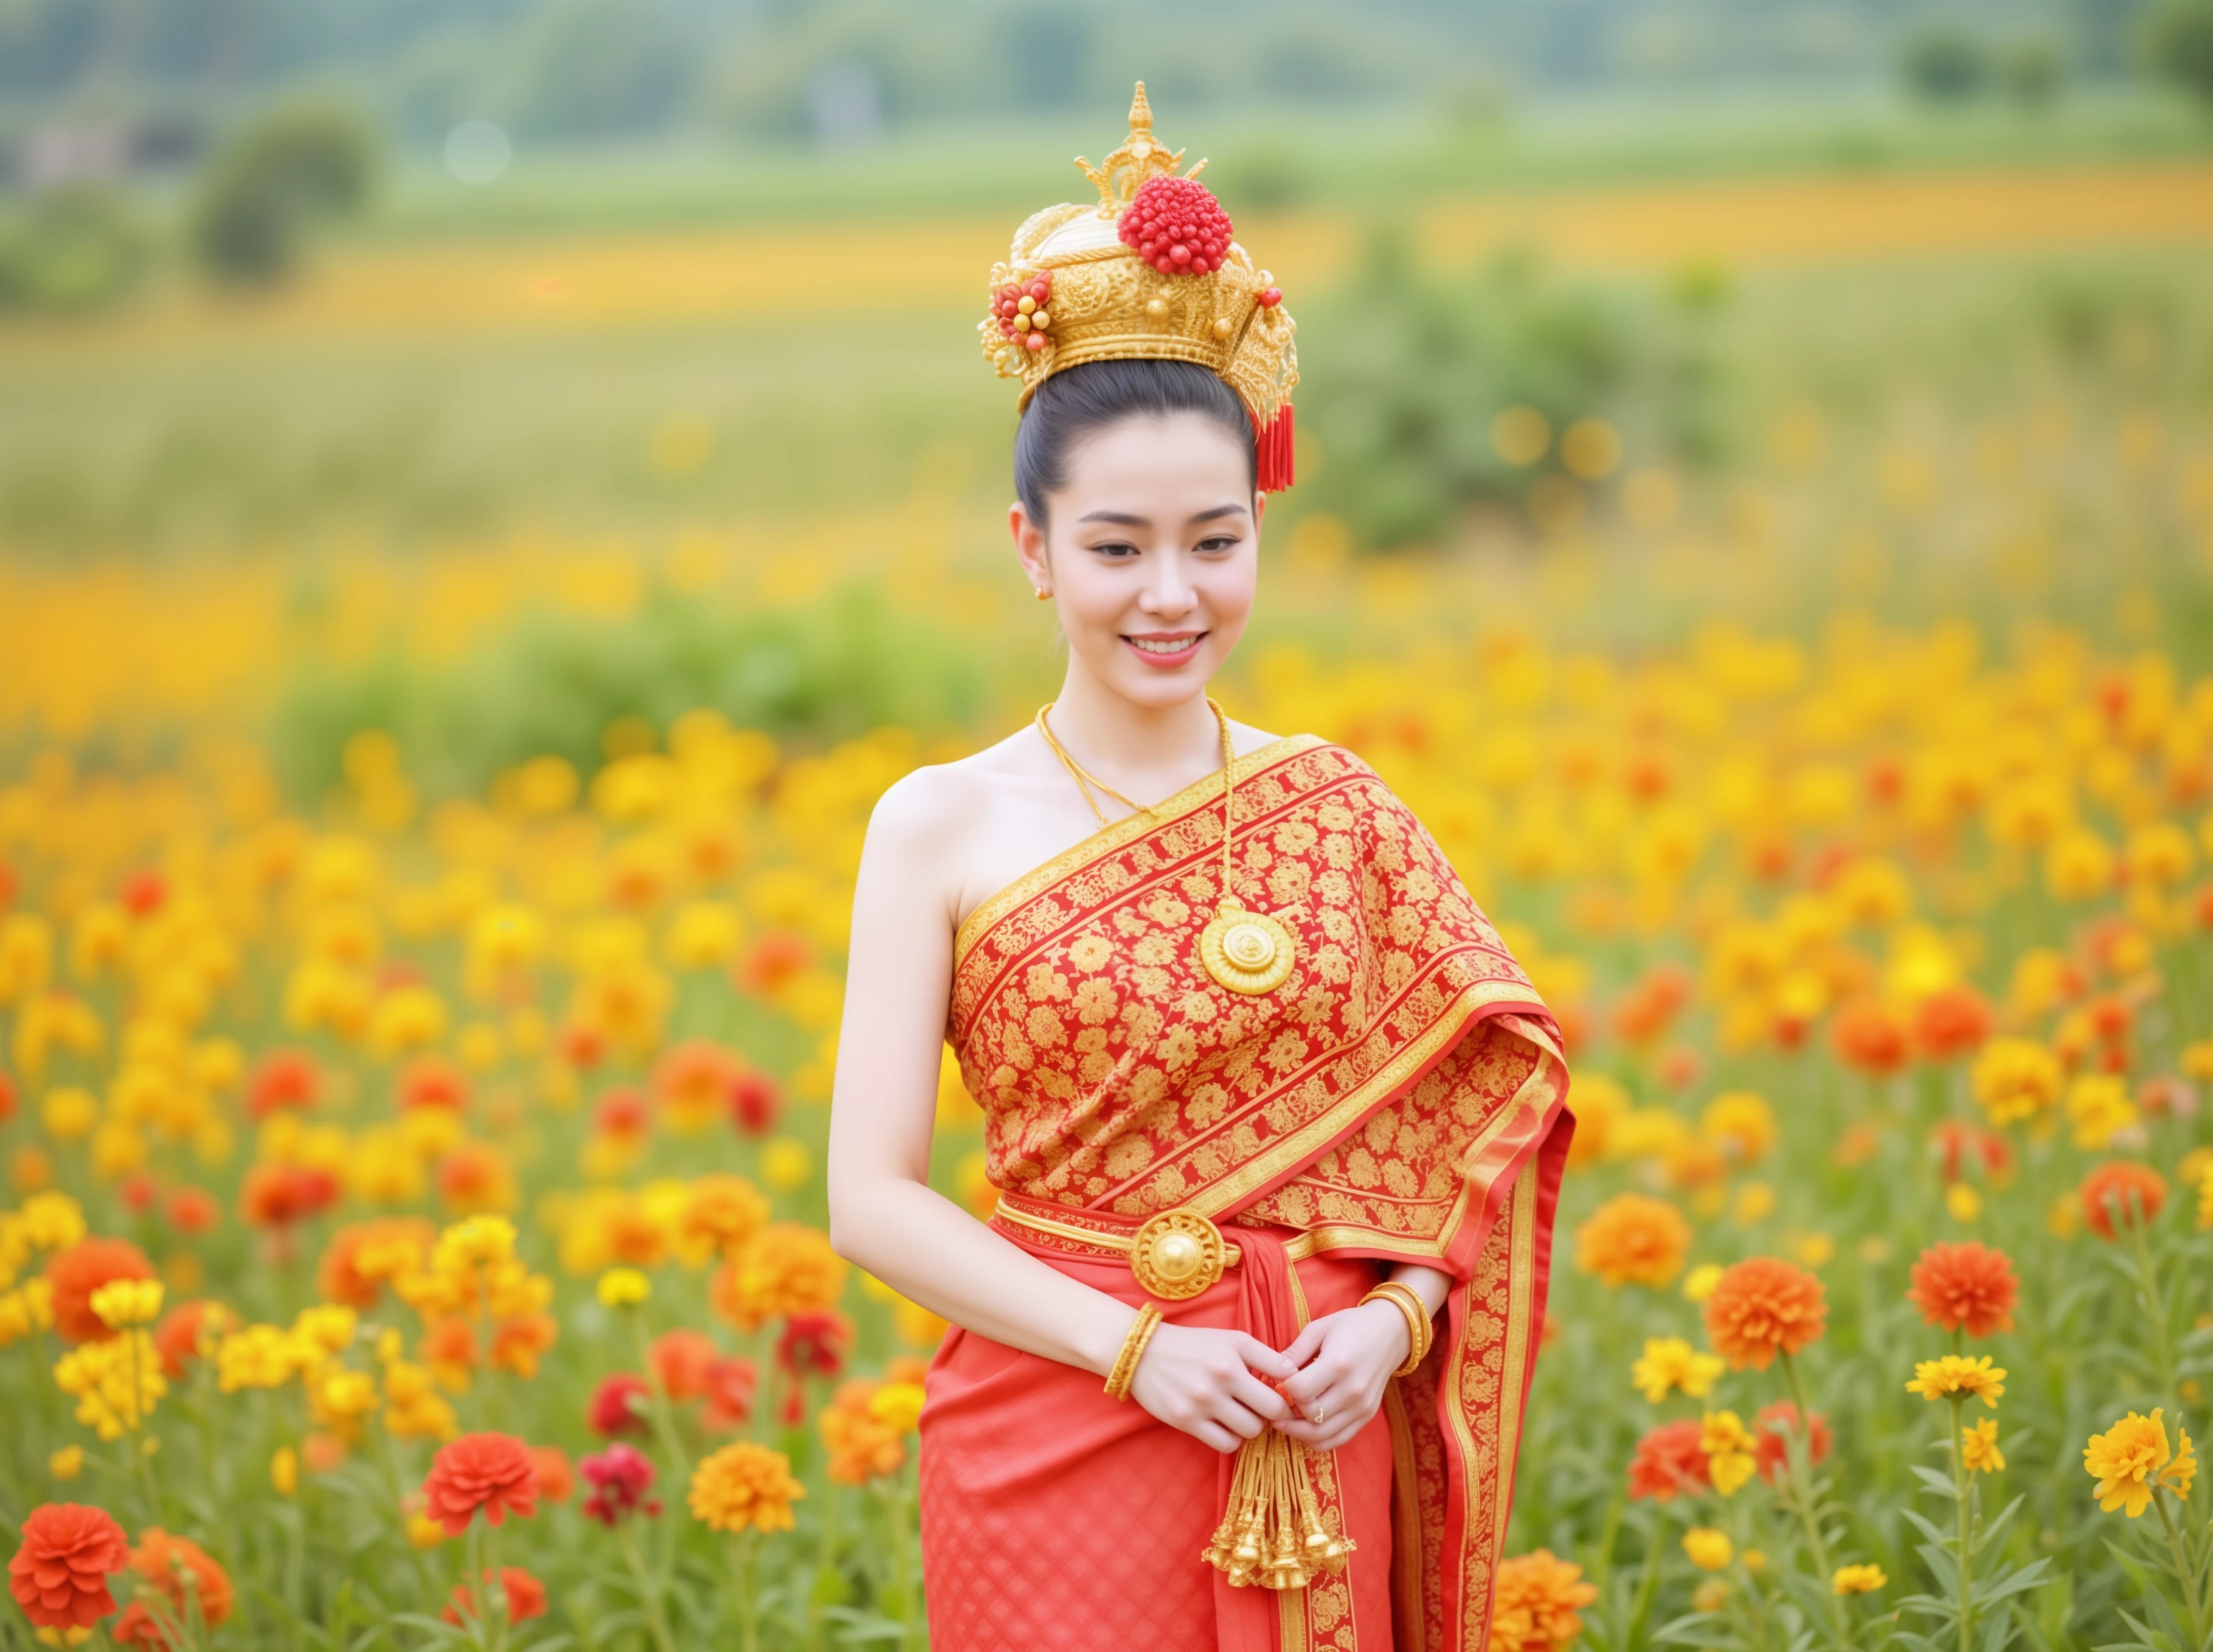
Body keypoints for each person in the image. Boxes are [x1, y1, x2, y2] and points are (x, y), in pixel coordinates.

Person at [825, 85, 1573, 1652]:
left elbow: (1478, 1112)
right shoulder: (939, 824)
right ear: (1033, 548)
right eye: (1116, 547)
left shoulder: (1338, 802)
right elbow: (871, 1199)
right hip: (1050, 1418)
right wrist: (1135, 1350)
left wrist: (1395, 1319)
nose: (1171, 593)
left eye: (1215, 540)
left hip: (1311, 1405)